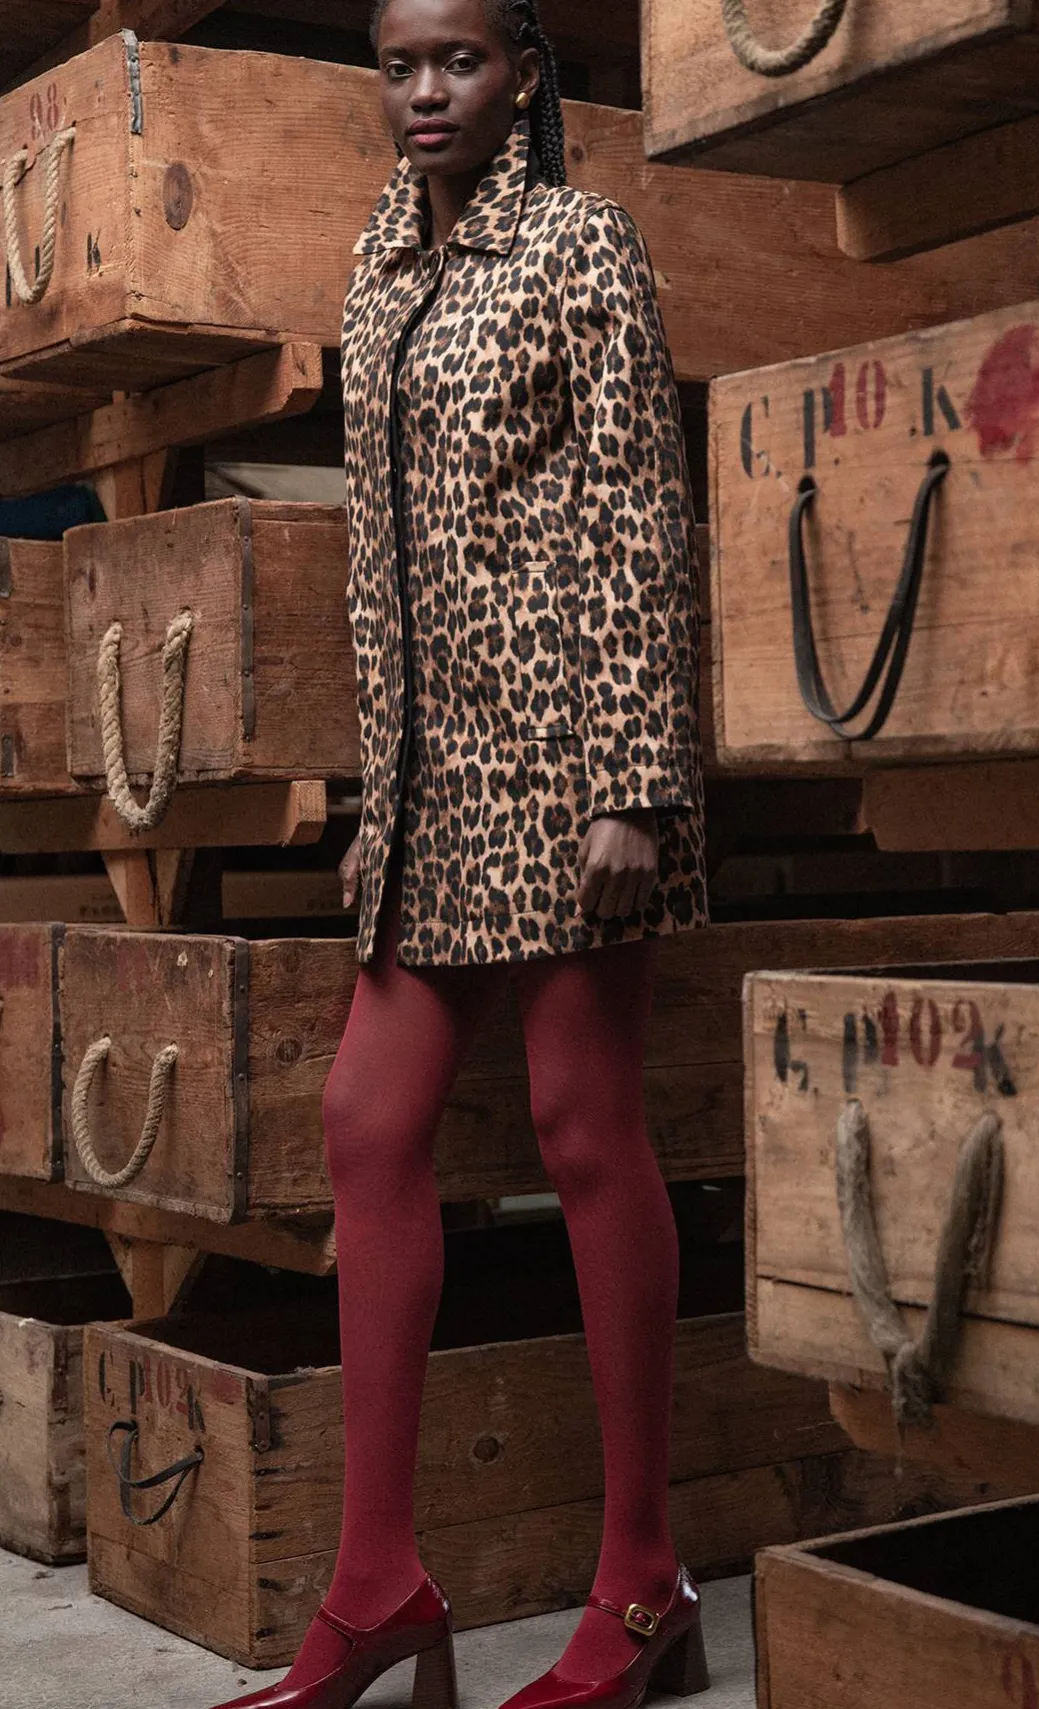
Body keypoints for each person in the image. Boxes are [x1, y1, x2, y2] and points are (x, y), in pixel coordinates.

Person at [209, 1, 711, 1706]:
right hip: (435, 787)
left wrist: (635, 779)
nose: (425, 93)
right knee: (367, 1124)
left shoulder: (580, 242)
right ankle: (376, 1589)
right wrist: (380, 800)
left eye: (461, 62)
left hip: (571, 759)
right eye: (400, 64)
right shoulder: (379, 271)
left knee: (582, 1131)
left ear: (524, 75)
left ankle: (641, 1583)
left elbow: (638, 509)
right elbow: (378, 566)